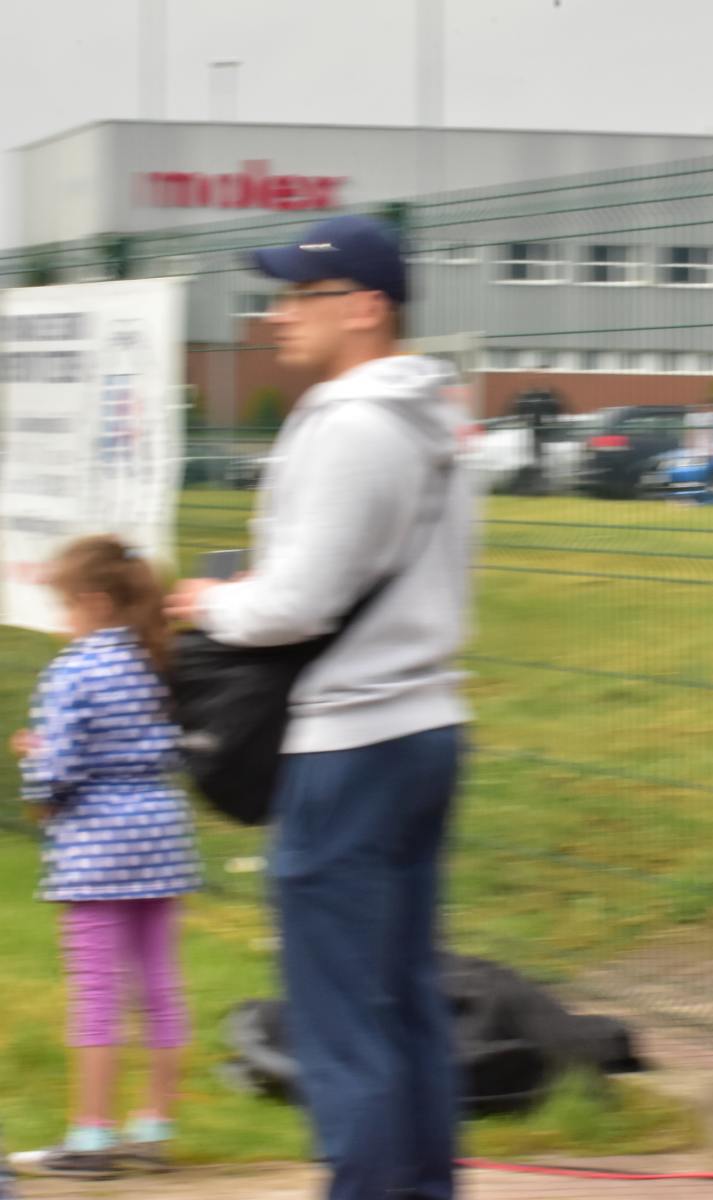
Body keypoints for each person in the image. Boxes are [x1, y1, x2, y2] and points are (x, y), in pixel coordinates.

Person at [165, 214, 475, 1200]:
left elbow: (297, 602)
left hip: (348, 740)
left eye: (304, 295)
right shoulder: (438, 420)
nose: (279, 315)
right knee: (405, 998)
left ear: (366, 307)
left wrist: (211, 602)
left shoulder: (347, 424)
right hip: (427, 725)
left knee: (342, 1017)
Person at [8, 535, 201, 1181]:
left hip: (96, 849)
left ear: (92, 601)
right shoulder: (158, 659)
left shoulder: (74, 669)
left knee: (97, 993)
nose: (62, 620)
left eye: (64, 605)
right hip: (162, 838)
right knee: (160, 985)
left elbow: (59, 770)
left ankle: (91, 1137)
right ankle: (153, 1128)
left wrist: (37, 771)